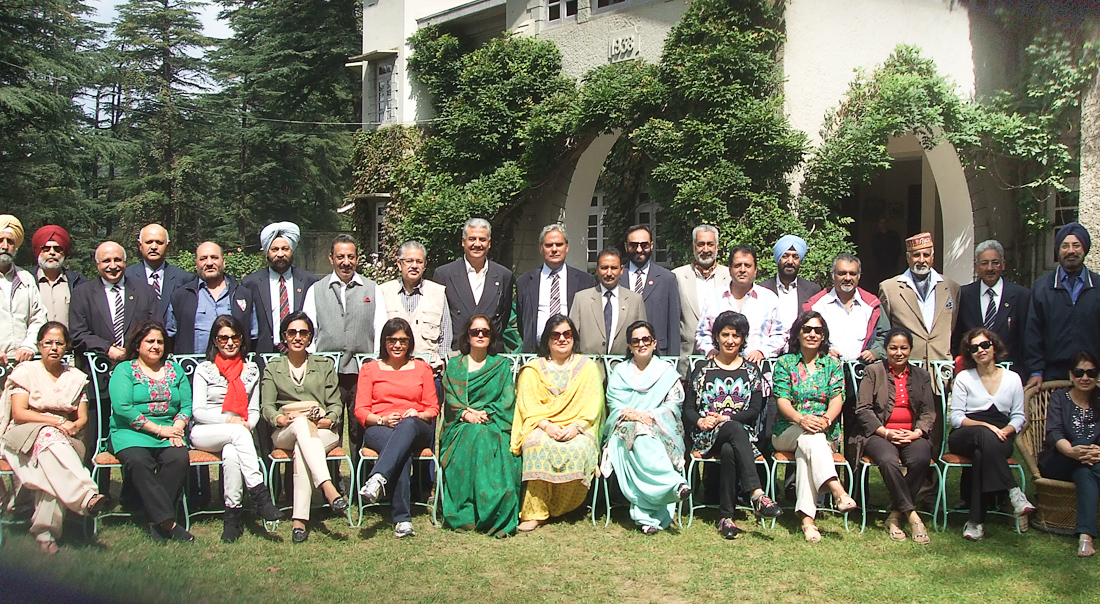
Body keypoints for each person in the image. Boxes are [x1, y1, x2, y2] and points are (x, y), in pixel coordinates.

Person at [0, 322, 110, 554]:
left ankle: (46, 533)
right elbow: (19, 413)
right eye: (48, 343)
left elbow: (82, 418)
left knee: (52, 466)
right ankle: (85, 495)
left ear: (67, 347)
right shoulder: (26, 372)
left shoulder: (75, 377)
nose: (53, 348)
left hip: (66, 438)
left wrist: (72, 426)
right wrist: (56, 422)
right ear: (39, 345)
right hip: (24, 434)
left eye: (59, 343)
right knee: (49, 437)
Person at [684, 311, 782, 539]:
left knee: (730, 447)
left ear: (743, 339)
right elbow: (688, 408)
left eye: (736, 336)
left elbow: (755, 410)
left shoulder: (752, 371)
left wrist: (727, 419)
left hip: (741, 435)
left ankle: (726, 517)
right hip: (707, 435)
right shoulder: (702, 369)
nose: (730, 340)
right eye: (725, 335)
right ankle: (757, 493)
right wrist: (701, 420)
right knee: (733, 431)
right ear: (716, 337)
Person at [189, 315, 282, 542]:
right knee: (239, 434)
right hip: (205, 431)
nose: (230, 343)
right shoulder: (204, 370)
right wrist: (231, 421)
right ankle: (260, 494)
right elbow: (198, 411)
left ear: (241, 340)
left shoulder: (251, 370)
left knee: (232, 454)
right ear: (215, 341)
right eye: (223, 338)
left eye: (235, 337)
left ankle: (232, 517)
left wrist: (247, 424)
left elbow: (253, 410)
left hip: (238, 433)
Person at [260, 311, 349, 543]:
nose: (297, 337)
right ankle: (328, 487)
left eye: (303, 333)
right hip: (286, 430)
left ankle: (299, 521)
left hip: (321, 429)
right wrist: (279, 419)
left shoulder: (324, 365)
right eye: (292, 332)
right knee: (301, 424)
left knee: (303, 448)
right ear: (284, 336)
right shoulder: (273, 367)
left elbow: (335, 404)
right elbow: (266, 406)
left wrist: (330, 419)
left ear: (310, 337)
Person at [302, 233, 388, 471]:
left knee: (360, 428)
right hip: (327, 373)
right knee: (330, 426)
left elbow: (380, 328)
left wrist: (376, 365)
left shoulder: (372, 289)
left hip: (362, 372)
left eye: (351, 257)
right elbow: (309, 332)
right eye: (340, 257)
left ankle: (362, 480)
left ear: (357, 259)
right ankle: (332, 480)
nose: (346, 262)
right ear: (331, 258)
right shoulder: (316, 290)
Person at [511, 314, 603, 531]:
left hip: (578, 427)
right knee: (535, 445)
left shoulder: (587, 368)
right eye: (556, 335)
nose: (562, 339)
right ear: (547, 339)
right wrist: (547, 426)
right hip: (541, 425)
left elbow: (593, 405)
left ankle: (565, 507)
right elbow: (528, 405)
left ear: (574, 337)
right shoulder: (533, 369)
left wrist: (575, 427)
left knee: (580, 448)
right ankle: (535, 512)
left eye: (567, 334)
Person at [771, 311, 856, 542]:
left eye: (818, 330)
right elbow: (782, 401)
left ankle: (808, 522)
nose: (812, 334)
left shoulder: (832, 364)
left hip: (823, 431)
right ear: (798, 333)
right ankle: (836, 488)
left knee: (808, 446)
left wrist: (826, 420)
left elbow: (837, 399)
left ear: (824, 335)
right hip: (788, 429)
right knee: (810, 437)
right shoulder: (785, 363)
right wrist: (801, 419)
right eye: (807, 329)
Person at [108, 320, 195, 543]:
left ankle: (154, 520)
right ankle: (167, 523)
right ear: (138, 345)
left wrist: (177, 427)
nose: (156, 346)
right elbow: (123, 408)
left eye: (160, 342)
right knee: (139, 461)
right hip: (130, 432)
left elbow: (186, 406)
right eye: (150, 341)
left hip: (169, 431)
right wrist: (158, 429)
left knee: (178, 458)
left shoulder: (175, 370)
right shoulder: (125, 370)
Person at [602, 321, 690, 533]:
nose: (641, 344)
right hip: (625, 427)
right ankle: (672, 484)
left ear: (654, 343)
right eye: (635, 341)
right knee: (638, 433)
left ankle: (646, 519)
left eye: (645, 339)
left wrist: (651, 416)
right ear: (629, 346)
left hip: (659, 426)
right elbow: (614, 403)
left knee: (645, 435)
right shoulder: (620, 372)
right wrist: (634, 416)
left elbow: (674, 403)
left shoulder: (666, 372)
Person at [949, 327, 1035, 540]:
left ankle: (975, 522)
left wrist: (1005, 430)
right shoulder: (964, 378)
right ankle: (1013, 490)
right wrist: (986, 427)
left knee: (982, 454)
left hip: (1001, 436)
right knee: (983, 436)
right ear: (970, 354)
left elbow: (1018, 416)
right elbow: (956, 418)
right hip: (966, 433)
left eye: (985, 345)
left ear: (994, 347)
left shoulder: (1013, 378)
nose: (980, 350)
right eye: (974, 348)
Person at [356, 318, 439, 539]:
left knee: (407, 425)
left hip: (416, 426)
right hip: (380, 427)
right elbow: (361, 410)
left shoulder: (422, 368)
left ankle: (378, 476)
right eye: (392, 340)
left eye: (403, 340)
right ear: (384, 342)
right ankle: (403, 520)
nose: (397, 345)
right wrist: (381, 420)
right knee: (401, 452)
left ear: (410, 342)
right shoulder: (370, 369)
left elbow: (432, 408)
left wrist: (418, 414)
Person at [439, 315, 521, 537]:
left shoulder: (500, 366)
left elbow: (507, 401)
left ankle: (495, 508)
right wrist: (466, 414)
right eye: (475, 332)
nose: (480, 335)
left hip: (493, 422)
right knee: (476, 434)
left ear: (491, 336)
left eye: (485, 332)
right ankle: (468, 512)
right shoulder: (455, 366)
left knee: (485, 436)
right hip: (460, 426)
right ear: (467, 336)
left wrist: (485, 414)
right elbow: (451, 401)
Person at [852, 328, 935, 544]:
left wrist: (916, 433)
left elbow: (928, 412)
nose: (899, 353)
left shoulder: (921, 376)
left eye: (903, 348)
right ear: (886, 349)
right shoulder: (873, 372)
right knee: (888, 461)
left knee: (921, 458)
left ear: (910, 349)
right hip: (879, 434)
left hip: (911, 434)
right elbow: (863, 409)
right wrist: (886, 432)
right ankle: (912, 515)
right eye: (893, 348)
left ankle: (895, 514)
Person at [1039, 350, 1100, 557]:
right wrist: (1073, 451)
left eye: (1091, 373)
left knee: (1084, 473)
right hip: (1058, 460)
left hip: (1090, 463)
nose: (1085, 378)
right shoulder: (1060, 398)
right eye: (1079, 372)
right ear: (1071, 375)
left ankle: (1085, 537)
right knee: (1082, 446)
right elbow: (1054, 433)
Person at [1025, 222, 1100, 391]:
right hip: (1053, 374)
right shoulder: (1042, 288)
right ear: (1058, 250)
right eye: (1065, 246)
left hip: (1092, 375)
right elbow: (1033, 332)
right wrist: (1036, 370)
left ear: (1085, 249)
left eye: (1076, 245)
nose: (1071, 251)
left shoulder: (1097, 286)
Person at [877, 232, 960, 365]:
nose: (921, 260)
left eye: (926, 255)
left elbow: (953, 325)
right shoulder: (889, 288)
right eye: (916, 255)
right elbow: (885, 330)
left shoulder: (951, 287)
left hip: (941, 367)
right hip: (907, 366)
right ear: (908, 257)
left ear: (932, 257)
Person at [432, 218, 514, 350]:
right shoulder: (444, 274)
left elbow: (504, 316)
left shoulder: (504, 275)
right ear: (463, 242)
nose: (477, 244)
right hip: (456, 351)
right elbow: (438, 317)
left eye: (482, 239)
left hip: (491, 352)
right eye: (472, 239)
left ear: (489, 243)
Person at [953, 240, 1030, 377]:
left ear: (1003, 264)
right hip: (973, 374)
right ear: (976, 266)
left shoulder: (1021, 295)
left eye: (995, 263)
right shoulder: (964, 295)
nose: (990, 268)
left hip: (1009, 373)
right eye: (984, 263)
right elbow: (956, 337)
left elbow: (1027, 339)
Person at [695, 244, 784, 362]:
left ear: (755, 270)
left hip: (759, 367)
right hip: (721, 367)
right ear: (730, 270)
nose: (742, 270)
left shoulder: (770, 299)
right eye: (737, 265)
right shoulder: (714, 298)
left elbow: (780, 334)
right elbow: (702, 334)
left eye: (747, 265)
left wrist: (762, 352)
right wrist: (711, 350)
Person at [515, 224, 595, 353]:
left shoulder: (585, 281)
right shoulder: (524, 281)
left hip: (573, 354)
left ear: (567, 247)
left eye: (559, 245)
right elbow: (522, 321)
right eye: (548, 245)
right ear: (541, 249)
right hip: (536, 353)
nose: (554, 249)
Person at [167, 241, 258, 354]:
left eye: (214, 258)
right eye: (203, 259)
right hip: (194, 364)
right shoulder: (181, 296)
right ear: (196, 263)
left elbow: (253, 335)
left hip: (235, 364)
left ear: (223, 261)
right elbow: (170, 336)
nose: (209, 263)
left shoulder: (243, 294)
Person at [243, 222, 319, 353]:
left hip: (300, 353)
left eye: (285, 249)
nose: (280, 254)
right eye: (274, 249)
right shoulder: (251, 283)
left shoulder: (309, 281)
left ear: (292, 250)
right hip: (264, 354)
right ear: (267, 252)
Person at [379, 240, 451, 376]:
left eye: (419, 261)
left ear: (425, 265)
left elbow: (446, 335)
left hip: (429, 372)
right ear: (399, 264)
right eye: (409, 261)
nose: (414, 266)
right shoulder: (383, 292)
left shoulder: (437, 293)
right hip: (392, 372)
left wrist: (442, 362)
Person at [804, 253, 888, 363]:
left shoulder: (871, 305)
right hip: (825, 368)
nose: (848, 278)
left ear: (858, 276)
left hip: (862, 369)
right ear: (833, 276)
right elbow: (803, 336)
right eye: (842, 273)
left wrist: (875, 351)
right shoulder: (816, 305)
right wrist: (822, 351)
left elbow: (885, 335)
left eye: (852, 274)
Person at [569, 248, 646, 356]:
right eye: (604, 268)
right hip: (588, 364)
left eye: (614, 268)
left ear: (621, 270)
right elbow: (572, 338)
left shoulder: (635, 300)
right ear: (597, 270)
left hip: (623, 364)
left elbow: (643, 337)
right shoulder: (581, 299)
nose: (609, 273)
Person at [619, 225, 680, 357]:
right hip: (622, 354)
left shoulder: (667, 278)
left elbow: (673, 324)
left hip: (658, 354)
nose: (639, 249)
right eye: (633, 245)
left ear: (652, 245)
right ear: (626, 246)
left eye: (644, 245)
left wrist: (673, 361)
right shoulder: (617, 277)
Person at [673, 225, 731, 358]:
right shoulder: (677, 276)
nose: (705, 249)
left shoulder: (730, 277)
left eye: (710, 244)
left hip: (723, 356)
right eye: (701, 244)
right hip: (687, 356)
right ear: (694, 247)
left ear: (717, 246)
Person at [0, 215, 46, 368]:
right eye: (0, 240)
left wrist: (28, 346)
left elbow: (38, 317)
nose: (5, 246)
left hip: (23, 364)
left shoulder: (26, 278)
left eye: (10, 242)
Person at [124, 224, 194, 323]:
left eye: (159, 242)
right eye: (149, 242)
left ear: (168, 246)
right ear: (140, 245)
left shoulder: (184, 279)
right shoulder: (127, 277)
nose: (154, 247)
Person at [760, 234, 822, 341]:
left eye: (795, 257)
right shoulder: (762, 290)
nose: (790, 261)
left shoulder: (813, 290)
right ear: (778, 259)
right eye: (785, 256)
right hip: (769, 348)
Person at [31, 225, 88, 326]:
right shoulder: (27, 281)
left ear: (64, 253)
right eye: (46, 249)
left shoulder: (78, 282)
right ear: (38, 252)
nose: (52, 253)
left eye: (57, 249)